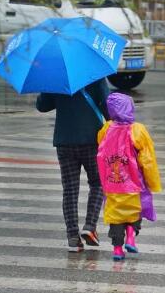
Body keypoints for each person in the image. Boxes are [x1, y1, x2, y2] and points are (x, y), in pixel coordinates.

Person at [36, 78, 110, 252]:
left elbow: (42, 105)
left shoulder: (55, 76)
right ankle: (90, 226)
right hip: (92, 139)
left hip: (64, 140)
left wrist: (46, 86)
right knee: (98, 183)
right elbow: (108, 107)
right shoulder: (95, 74)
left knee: (69, 189)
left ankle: (72, 237)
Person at [96, 93, 162, 261]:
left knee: (116, 217)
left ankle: (118, 249)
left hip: (112, 183)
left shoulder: (106, 128)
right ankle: (131, 235)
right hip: (133, 182)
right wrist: (153, 182)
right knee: (135, 212)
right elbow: (147, 159)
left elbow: (100, 144)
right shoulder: (137, 130)